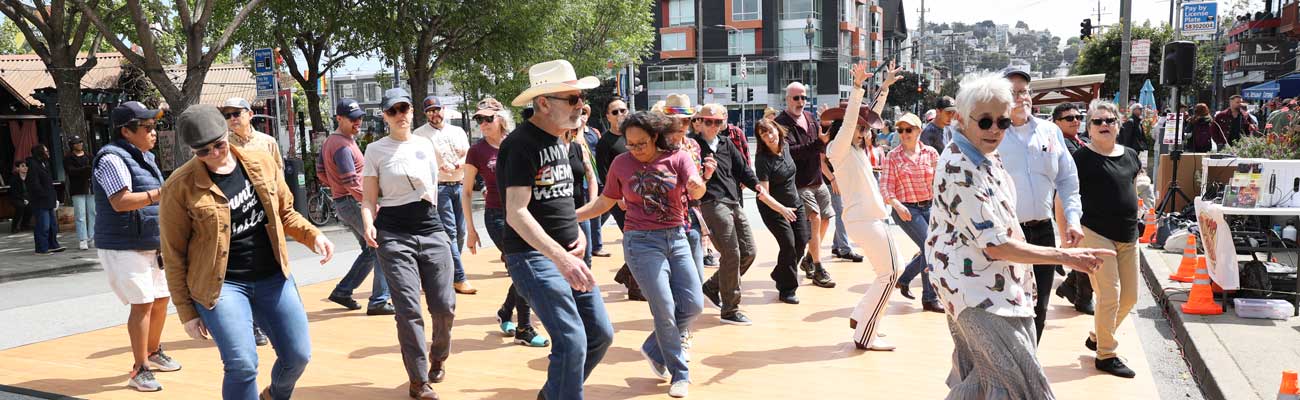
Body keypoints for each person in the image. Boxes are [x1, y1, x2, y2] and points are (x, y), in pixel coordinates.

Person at [929, 72, 1112, 399]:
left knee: (986, 379)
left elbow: (1063, 181)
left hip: (1002, 281)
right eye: (985, 122)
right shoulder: (959, 165)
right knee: (1023, 382)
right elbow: (996, 245)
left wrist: (1067, 224)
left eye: (1003, 122)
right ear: (960, 119)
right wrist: (1066, 257)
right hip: (975, 290)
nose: (996, 130)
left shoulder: (986, 153)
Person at [160, 105, 334, 400]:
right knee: (242, 364)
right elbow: (173, 255)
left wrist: (313, 235)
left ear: (227, 135)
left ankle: (275, 395)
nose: (214, 153)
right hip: (222, 286)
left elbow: (286, 212)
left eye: (219, 144)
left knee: (298, 356)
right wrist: (186, 312)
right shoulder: (178, 187)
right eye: (203, 151)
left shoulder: (261, 162)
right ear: (192, 151)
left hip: (272, 276)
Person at [500, 59, 613, 399]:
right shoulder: (521, 144)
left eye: (581, 98)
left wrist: (573, 229)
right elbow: (516, 212)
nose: (582, 106)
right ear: (544, 103)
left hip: (567, 254)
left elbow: (556, 198)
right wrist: (560, 256)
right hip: (534, 258)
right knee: (572, 340)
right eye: (573, 99)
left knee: (599, 335)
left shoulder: (561, 139)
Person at [576, 111, 706, 398]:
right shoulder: (621, 164)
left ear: (656, 137)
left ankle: (653, 347)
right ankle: (679, 373)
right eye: (630, 144)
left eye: (641, 144)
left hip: (677, 237)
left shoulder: (678, 158)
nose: (635, 150)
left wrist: (697, 186)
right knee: (664, 308)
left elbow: (697, 188)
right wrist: (571, 217)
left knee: (694, 304)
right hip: (640, 242)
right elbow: (605, 201)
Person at [360, 88, 459, 400]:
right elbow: (368, 198)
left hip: (431, 227)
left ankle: (439, 356)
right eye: (393, 111)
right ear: (385, 115)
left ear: (412, 111)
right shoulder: (375, 150)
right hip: (394, 234)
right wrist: (367, 223)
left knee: (444, 305)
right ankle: (418, 382)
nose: (400, 115)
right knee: (408, 308)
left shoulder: (425, 145)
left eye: (404, 109)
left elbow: (435, 182)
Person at [93, 101, 177, 392]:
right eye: (148, 127)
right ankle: (139, 369)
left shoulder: (144, 156)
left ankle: (152, 353)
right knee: (142, 304)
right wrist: (160, 193)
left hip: (149, 241)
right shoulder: (111, 159)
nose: (154, 133)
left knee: (162, 298)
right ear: (126, 131)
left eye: (155, 126)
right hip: (123, 243)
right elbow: (120, 202)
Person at [997, 67, 1084, 342]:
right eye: (1012, 93)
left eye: (1024, 91)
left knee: (1039, 308)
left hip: (1043, 233)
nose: (1020, 98)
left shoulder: (1049, 131)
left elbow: (1068, 179)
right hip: (1006, 236)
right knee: (1006, 308)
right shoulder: (992, 134)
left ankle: (1029, 366)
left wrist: (1072, 219)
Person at [823, 61, 903, 351]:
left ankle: (862, 317)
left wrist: (883, 89)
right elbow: (852, 123)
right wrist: (857, 88)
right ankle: (864, 335)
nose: (863, 131)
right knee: (891, 274)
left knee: (891, 272)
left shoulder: (855, 148)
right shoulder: (838, 149)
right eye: (858, 128)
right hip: (865, 220)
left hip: (871, 219)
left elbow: (871, 118)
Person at [462, 98, 550, 347]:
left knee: (523, 267)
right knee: (524, 266)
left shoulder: (518, 141)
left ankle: (506, 311)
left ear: (501, 118)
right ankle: (524, 327)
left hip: (525, 213)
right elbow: (467, 191)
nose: (483, 123)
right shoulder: (477, 151)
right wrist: (470, 229)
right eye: (479, 119)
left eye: (488, 118)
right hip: (497, 216)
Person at [694, 101, 788, 326]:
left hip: (734, 201)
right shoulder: (693, 146)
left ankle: (712, 286)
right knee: (732, 253)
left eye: (718, 122)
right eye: (709, 121)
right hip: (711, 202)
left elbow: (744, 170)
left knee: (749, 252)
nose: (714, 126)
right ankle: (730, 309)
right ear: (699, 122)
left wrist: (760, 189)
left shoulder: (726, 143)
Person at [1074, 100, 1142, 379]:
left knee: (1130, 297)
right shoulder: (1081, 158)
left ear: (1118, 124)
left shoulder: (1130, 154)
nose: (1104, 125)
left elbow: (1132, 185)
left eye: (1109, 120)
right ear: (1088, 127)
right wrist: (1069, 232)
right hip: (1095, 232)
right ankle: (1106, 354)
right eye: (1097, 121)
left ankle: (1097, 336)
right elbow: (1063, 196)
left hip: (1129, 234)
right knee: (1109, 295)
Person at [320, 98, 394, 316]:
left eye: (359, 117)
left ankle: (343, 291)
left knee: (371, 249)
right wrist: (371, 204)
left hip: (345, 202)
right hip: (354, 202)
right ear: (339, 119)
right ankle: (379, 300)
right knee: (381, 246)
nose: (358, 122)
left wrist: (336, 187)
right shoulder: (342, 146)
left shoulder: (331, 142)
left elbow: (321, 172)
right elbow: (351, 182)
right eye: (352, 119)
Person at [775, 82, 836, 289]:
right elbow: (792, 152)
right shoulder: (780, 123)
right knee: (815, 218)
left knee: (827, 218)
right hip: (799, 183)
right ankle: (818, 267)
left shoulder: (810, 118)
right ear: (787, 99)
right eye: (796, 98)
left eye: (803, 97)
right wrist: (818, 143)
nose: (800, 102)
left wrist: (827, 124)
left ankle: (810, 257)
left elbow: (823, 141)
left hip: (817, 179)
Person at [881, 112, 943, 313]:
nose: (904, 133)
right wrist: (897, 205)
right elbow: (885, 187)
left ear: (919, 131)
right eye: (900, 130)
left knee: (931, 247)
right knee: (929, 244)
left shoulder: (931, 153)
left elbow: (942, 183)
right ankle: (929, 298)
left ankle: (905, 279)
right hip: (906, 209)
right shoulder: (892, 156)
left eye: (909, 129)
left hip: (930, 207)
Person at [413, 95, 476, 295]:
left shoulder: (457, 131)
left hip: (459, 184)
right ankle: (459, 278)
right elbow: (418, 160)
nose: (435, 114)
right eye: (430, 111)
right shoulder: (419, 135)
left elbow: (469, 154)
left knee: (460, 232)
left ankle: (446, 271)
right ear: (425, 114)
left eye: (437, 109)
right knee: (449, 232)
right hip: (439, 187)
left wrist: (457, 164)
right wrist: (435, 165)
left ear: (444, 109)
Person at [753, 118, 810, 304]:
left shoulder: (785, 146)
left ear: (777, 130)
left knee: (801, 241)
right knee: (788, 245)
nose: (769, 137)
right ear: (760, 139)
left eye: (770, 131)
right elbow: (763, 194)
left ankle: (779, 272)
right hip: (773, 208)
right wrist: (782, 209)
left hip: (794, 204)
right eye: (764, 135)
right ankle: (787, 290)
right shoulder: (763, 160)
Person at [1050, 102, 1095, 314]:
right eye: (1069, 118)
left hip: (1085, 201)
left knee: (1083, 246)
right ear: (1056, 123)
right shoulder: (1059, 144)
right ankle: (1083, 296)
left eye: (1078, 117)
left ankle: (1070, 285)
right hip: (1065, 201)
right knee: (1079, 247)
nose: (1076, 120)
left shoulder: (1081, 140)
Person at [593, 97, 630, 260]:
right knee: (631, 236)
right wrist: (618, 197)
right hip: (619, 197)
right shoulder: (604, 142)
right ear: (608, 117)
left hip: (638, 193)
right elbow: (604, 173)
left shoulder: (634, 135)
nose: (620, 114)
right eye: (615, 112)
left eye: (623, 110)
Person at [220, 97, 282, 170]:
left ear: (250, 114)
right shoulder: (224, 145)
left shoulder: (268, 142)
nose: (232, 118)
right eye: (227, 116)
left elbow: (278, 172)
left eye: (236, 114)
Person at [26, 143, 63, 254]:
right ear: (40, 152)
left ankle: (53, 244)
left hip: (48, 199)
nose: (48, 153)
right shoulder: (33, 165)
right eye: (45, 151)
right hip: (40, 200)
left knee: (52, 225)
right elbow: (34, 184)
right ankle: (42, 247)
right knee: (43, 225)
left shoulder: (44, 164)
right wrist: (44, 194)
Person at [65, 136, 95, 250]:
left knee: (93, 213)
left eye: (80, 142)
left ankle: (92, 237)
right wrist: (85, 170)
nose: (79, 144)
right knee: (80, 214)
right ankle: (83, 239)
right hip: (78, 188)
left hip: (90, 187)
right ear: (72, 145)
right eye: (76, 143)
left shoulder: (89, 155)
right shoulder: (69, 158)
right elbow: (71, 171)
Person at [8, 160, 30, 233]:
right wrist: (23, 199)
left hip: (28, 198)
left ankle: (24, 224)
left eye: (26, 166)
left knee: (32, 206)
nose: (25, 167)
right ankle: (14, 227)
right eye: (22, 166)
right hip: (16, 198)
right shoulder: (14, 179)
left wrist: (29, 199)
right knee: (20, 206)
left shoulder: (30, 178)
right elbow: (14, 192)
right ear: (18, 168)